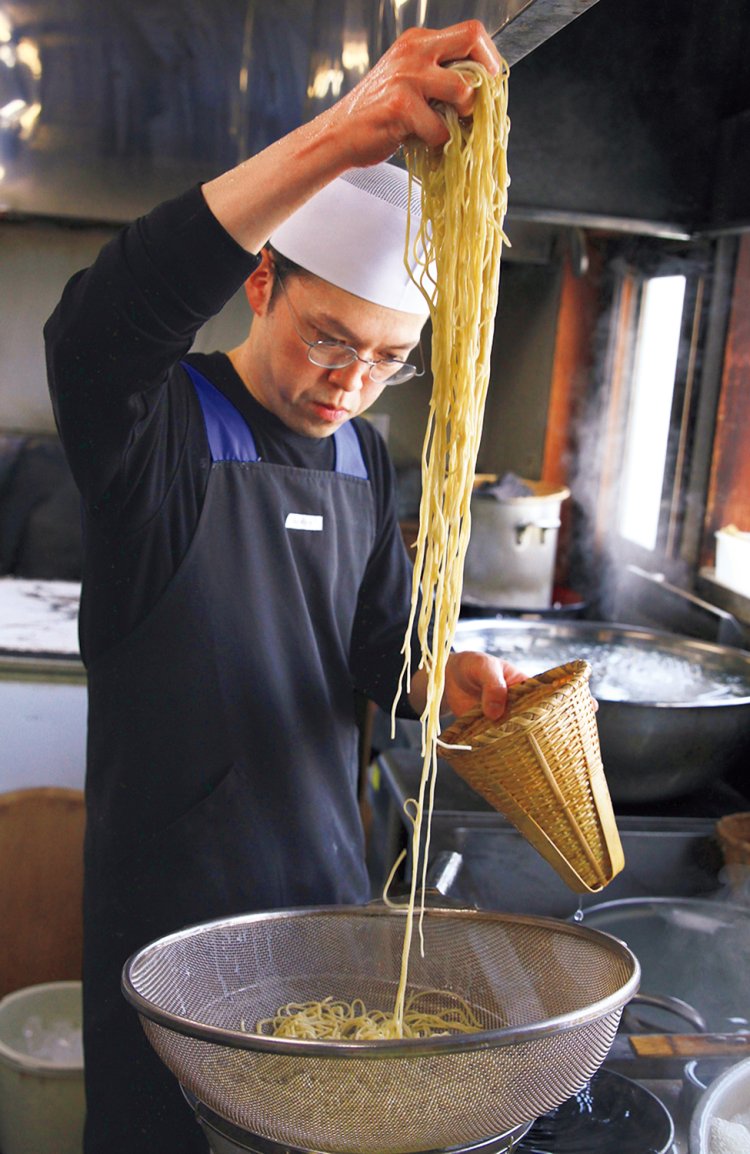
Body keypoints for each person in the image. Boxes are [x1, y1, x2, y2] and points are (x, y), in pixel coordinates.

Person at [45, 19, 525, 1153]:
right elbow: (95, 333)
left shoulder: (364, 456)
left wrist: (433, 676)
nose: (349, 382)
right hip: (170, 931)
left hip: (327, 916)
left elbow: (372, 643)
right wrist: (336, 138)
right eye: (327, 338)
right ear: (262, 283)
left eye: (385, 359)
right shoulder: (161, 428)